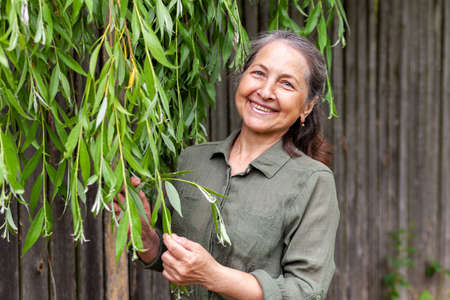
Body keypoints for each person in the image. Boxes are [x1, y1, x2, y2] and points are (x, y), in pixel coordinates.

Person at [116, 30, 339, 300]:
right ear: (242, 77)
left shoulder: (313, 181)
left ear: (307, 107)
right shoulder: (193, 161)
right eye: (258, 73)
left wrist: (214, 275)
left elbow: (307, 291)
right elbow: (184, 266)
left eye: (286, 84)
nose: (266, 91)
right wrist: (147, 239)